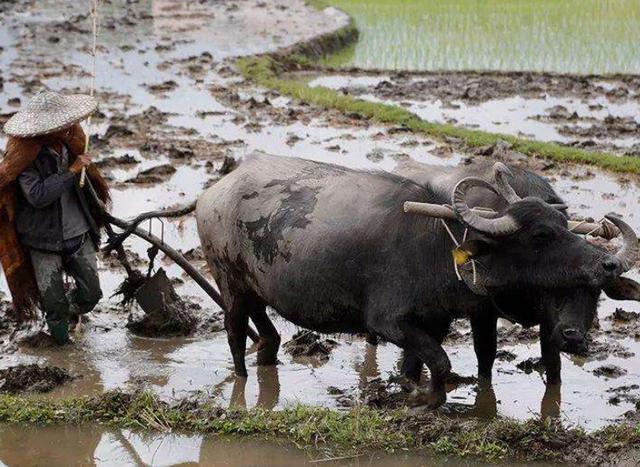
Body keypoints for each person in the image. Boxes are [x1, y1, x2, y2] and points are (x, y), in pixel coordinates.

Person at [0, 90, 110, 344]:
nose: (68, 128)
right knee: (53, 301)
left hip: (78, 232)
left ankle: (68, 313)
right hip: (42, 240)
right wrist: (71, 172)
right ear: (44, 132)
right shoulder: (24, 158)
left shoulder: (73, 144)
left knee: (91, 294)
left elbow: (89, 184)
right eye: (60, 126)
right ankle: (61, 346)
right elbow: (38, 196)